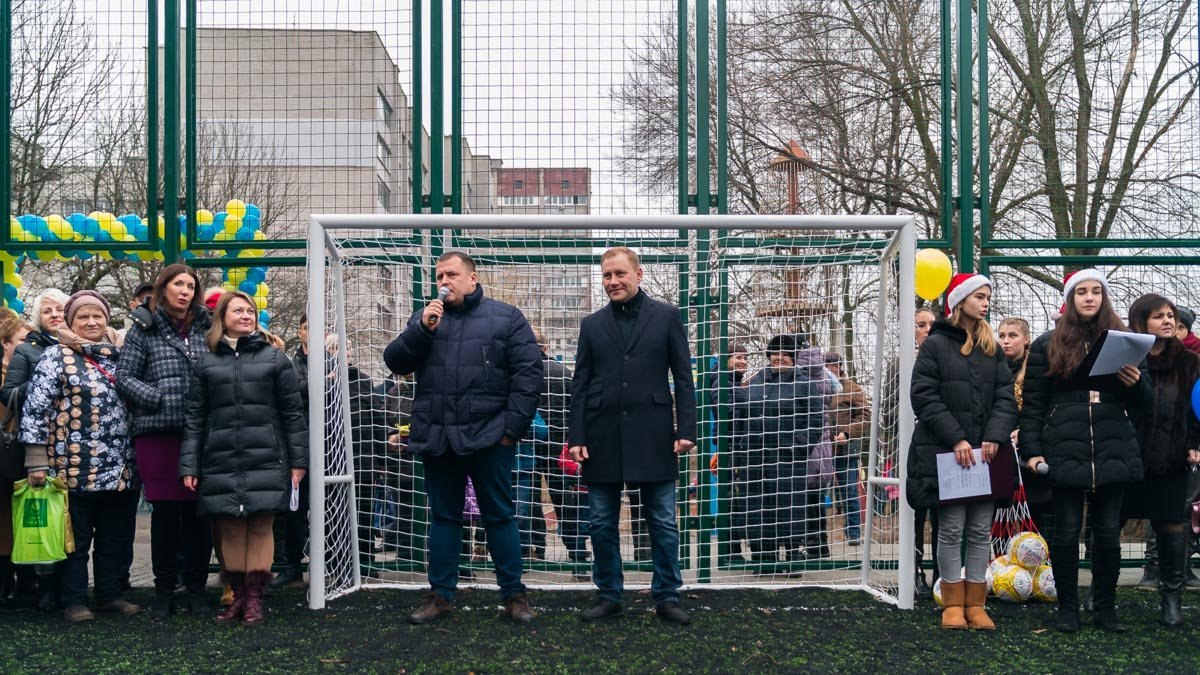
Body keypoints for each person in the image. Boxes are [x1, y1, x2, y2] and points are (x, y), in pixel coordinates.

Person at [384, 251, 543, 625]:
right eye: (439, 275)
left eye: (452, 274)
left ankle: (514, 597)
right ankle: (440, 596)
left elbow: (528, 377)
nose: (444, 281)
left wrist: (509, 432)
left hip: (490, 439)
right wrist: (421, 329)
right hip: (438, 439)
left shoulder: (505, 317)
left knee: (499, 516)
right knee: (443, 518)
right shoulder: (426, 319)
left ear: (472, 279)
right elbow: (395, 362)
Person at [568, 247, 697, 625]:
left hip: (654, 433)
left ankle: (668, 596)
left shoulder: (667, 317)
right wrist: (577, 435)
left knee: (662, 522)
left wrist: (685, 429)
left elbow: (684, 379)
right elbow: (580, 384)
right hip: (601, 435)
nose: (613, 282)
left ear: (638, 275)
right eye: (607, 276)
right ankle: (609, 595)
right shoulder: (591, 325)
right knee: (601, 523)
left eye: (620, 274)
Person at [1019, 268, 1152, 633]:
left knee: (1108, 533)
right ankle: (1068, 610)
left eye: (1096, 291)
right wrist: (1032, 452)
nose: (1090, 297)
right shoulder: (1046, 344)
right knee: (1065, 532)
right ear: (1070, 299)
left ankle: (1105, 610)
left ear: (1104, 298)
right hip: (1064, 445)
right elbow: (1032, 406)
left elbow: (1147, 402)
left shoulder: (1125, 342)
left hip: (1113, 446)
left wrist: (1138, 383)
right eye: (1082, 292)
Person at [179, 291, 307, 627]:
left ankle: (254, 599)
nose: (246, 314)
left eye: (250, 310)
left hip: (267, 457)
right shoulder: (206, 362)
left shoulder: (275, 359)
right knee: (231, 529)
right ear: (222, 316)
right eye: (238, 310)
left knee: (262, 526)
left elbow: (293, 413)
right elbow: (195, 417)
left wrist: (298, 461)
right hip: (220, 458)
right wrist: (189, 464)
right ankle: (236, 595)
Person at [20, 291, 141, 623]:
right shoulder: (55, 357)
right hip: (71, 468)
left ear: (107, 320)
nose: (91, 322)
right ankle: (74, 600)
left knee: (115, 538)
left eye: (98, 316)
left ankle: (111, 595)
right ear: (71, 322)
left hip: (121, 468)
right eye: (83, 317)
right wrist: (36, 460)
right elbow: (35, 409)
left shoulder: (122, 356)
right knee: (75, 540)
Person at [907, 274, 1018, 631]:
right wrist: (956, 439)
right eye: (979, 297)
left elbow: (1005, 395)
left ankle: (977, 603)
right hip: (948, 454)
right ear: (960, 300)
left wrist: (995, 437)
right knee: (951, 528)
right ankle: (952, 604)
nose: (985, 303)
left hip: (986, 455)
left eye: (988, 297)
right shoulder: (935, 345)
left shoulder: (992, 348)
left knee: (981, 529)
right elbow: (923, 396)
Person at [116, 264, 214, 621]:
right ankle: (163, 591)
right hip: (157, 434)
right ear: (163, 288)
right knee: (166, 515)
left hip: (201, 435)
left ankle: (197, 590)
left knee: (198, 515)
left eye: (190, 285)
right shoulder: (144, 330)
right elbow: (123, 377)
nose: (184, 291)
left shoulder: (208, 327)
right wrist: (157, 397)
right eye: (178, 284)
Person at [1122, 294, 1200, 627]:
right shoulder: (1124, 360)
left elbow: (1197, 409)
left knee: (1171, 525)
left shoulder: (1192, 362)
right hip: (1126, 457)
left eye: (1170, 315)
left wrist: (1195, 442)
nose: (1168, 320)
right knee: (1110, 524)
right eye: (1158, 316)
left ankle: (1171, 598)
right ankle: (1100, 593)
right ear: (1141, 322)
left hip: (1171, 456)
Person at [1, 287, 69, 611]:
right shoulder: (27, 351)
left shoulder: (86, 347)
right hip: (39, 443)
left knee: (73, 519)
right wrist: (43, 378)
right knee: (42, 516)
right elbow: (8, 394)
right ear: (39, 318)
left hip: (75, 445)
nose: (55, 316)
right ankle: (43, 587)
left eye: (60, 309)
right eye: (48, 311)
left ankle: (72, 588)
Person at [733, 336, 823, 571]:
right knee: (756, 508)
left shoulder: (804, 383)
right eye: (774, 353)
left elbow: (816, 420)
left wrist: (798, 445)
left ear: (793, 357)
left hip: (788, 458)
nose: (778, 357)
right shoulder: (756, 381)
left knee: (787, 508)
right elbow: (743, 416)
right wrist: (741, 447)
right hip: (755, 457)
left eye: (784, 353)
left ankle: (792, 558)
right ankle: (763, 560)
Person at [528, 329, 583, 567]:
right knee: (563, 499)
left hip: (527, 444)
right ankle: (577, 550)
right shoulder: (563, 372)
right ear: (546, 348)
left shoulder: (522, 372)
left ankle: (535, 549)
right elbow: (575, 409)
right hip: (559, 445)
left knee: (529, 499)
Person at [997, 317, 1053, 541]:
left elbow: (1041, 405)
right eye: (1001, 336)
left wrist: (1024, 430)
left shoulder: (1035, 368)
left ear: (1026, 339)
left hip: (1031, 447)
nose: (1006, 341)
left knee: (1036, 515)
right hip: (1002, 447)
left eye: (1012, 336)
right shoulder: (995, 367)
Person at [271, 312, 313, 588]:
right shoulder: (289, 363)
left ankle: (335, 562)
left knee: (333, 508)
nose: (312, 332)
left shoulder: (337, 361)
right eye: (307, 327)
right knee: (293, 511)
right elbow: (290, 395)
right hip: (297, 446)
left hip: (330, 449)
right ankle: (291, 565)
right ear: (299, 332)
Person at [0, 308, 32, 604]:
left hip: (27, 456)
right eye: (21, 340)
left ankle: (26, 581)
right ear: (6, 344)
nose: (27, 346)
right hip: (7, 453)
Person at [827, 351, 868, 547]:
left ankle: (853, 533)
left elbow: (865, 416)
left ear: (840, 366)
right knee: (816, 492)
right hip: (822, 450)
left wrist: (847, 432)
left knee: (849, 491)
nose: (830, 368)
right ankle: (817, 537)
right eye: (826, 365)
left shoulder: (853, 388)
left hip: (846, 449)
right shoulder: (818, 387)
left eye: (833, 365)